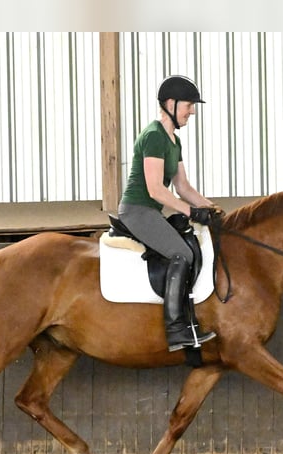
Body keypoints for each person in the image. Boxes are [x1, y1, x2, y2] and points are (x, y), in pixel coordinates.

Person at [118, 75, 223, 353]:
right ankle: (176, 329)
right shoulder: (153, 136)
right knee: (183, 254)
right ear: (170, 104)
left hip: (151, 211)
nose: (192, 111)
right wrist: (191, 211)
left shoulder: (173, 140)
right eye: (189, 105)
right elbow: (155, 189)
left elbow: (182, 186)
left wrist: (210, 208)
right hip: (137, 210)